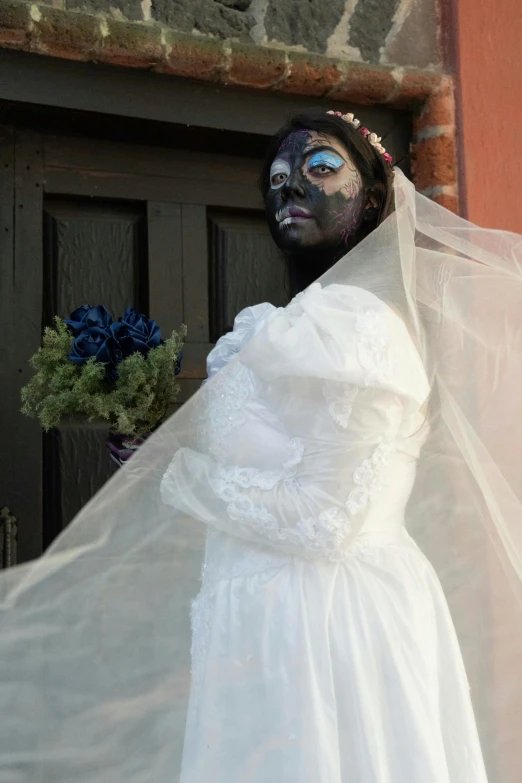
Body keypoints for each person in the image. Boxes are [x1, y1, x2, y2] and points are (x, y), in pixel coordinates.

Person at [1, 109, 522, 783]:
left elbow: (329, 516)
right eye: (276, 178)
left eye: (320, 167)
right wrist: (153, 442)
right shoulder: (285, 327)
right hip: (254, 624)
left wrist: (177, 473)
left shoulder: (360, 330)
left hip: (327, 634)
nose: (289, 186)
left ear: (370, 196)